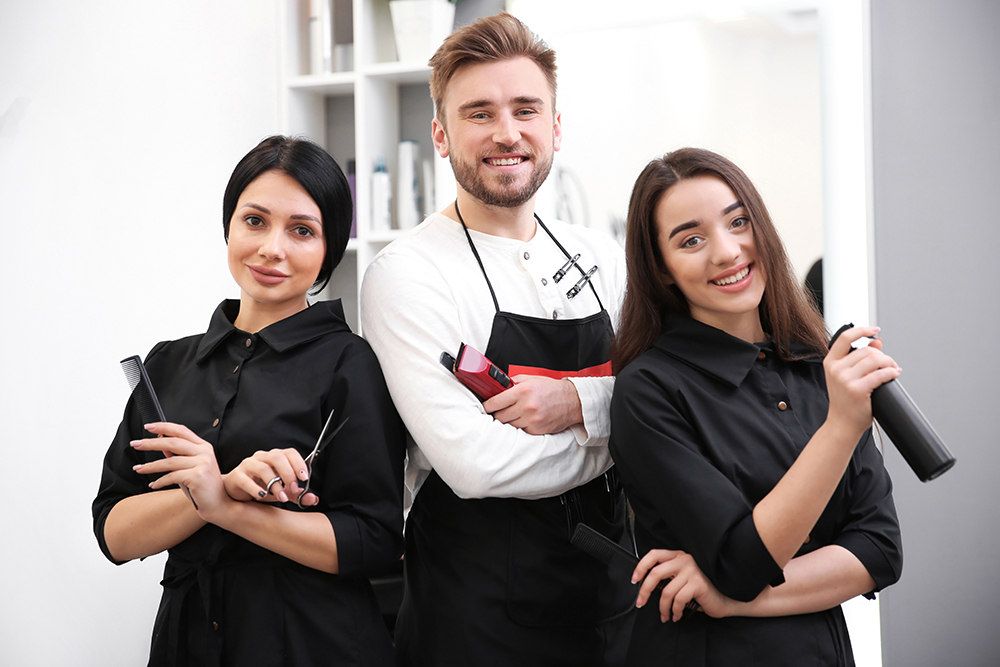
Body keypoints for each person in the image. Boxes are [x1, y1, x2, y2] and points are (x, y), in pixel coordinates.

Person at [359, 12, 634, 666]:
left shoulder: (605, 255)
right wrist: (624, 437)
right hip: (479, 620)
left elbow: (670, 395)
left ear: (555, 127)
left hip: (610, 604)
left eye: (526, 109)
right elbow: (480, 465)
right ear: (441, 134)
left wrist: (577, 404)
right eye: (479, 113)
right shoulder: (408, 273)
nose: (506, 133)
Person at [93, 136, 406, 667]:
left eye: (302, 230)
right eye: (255, 221)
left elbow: (373, 541)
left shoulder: (352, 364)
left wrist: (222, 505)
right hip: (187, 642)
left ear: (329, 247)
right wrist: (204, 496)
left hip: (312, 642)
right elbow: (116, 534)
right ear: (229, 225)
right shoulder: (168, 365)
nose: (272, 248)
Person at [608, 148, 903, 666]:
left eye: (738, 221)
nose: (726, 252)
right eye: (691, 240)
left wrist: (732, 600)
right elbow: (742, 560)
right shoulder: (649, 390)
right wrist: (840, 428)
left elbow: (878, 550)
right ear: (662, 270)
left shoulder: (819, 365)